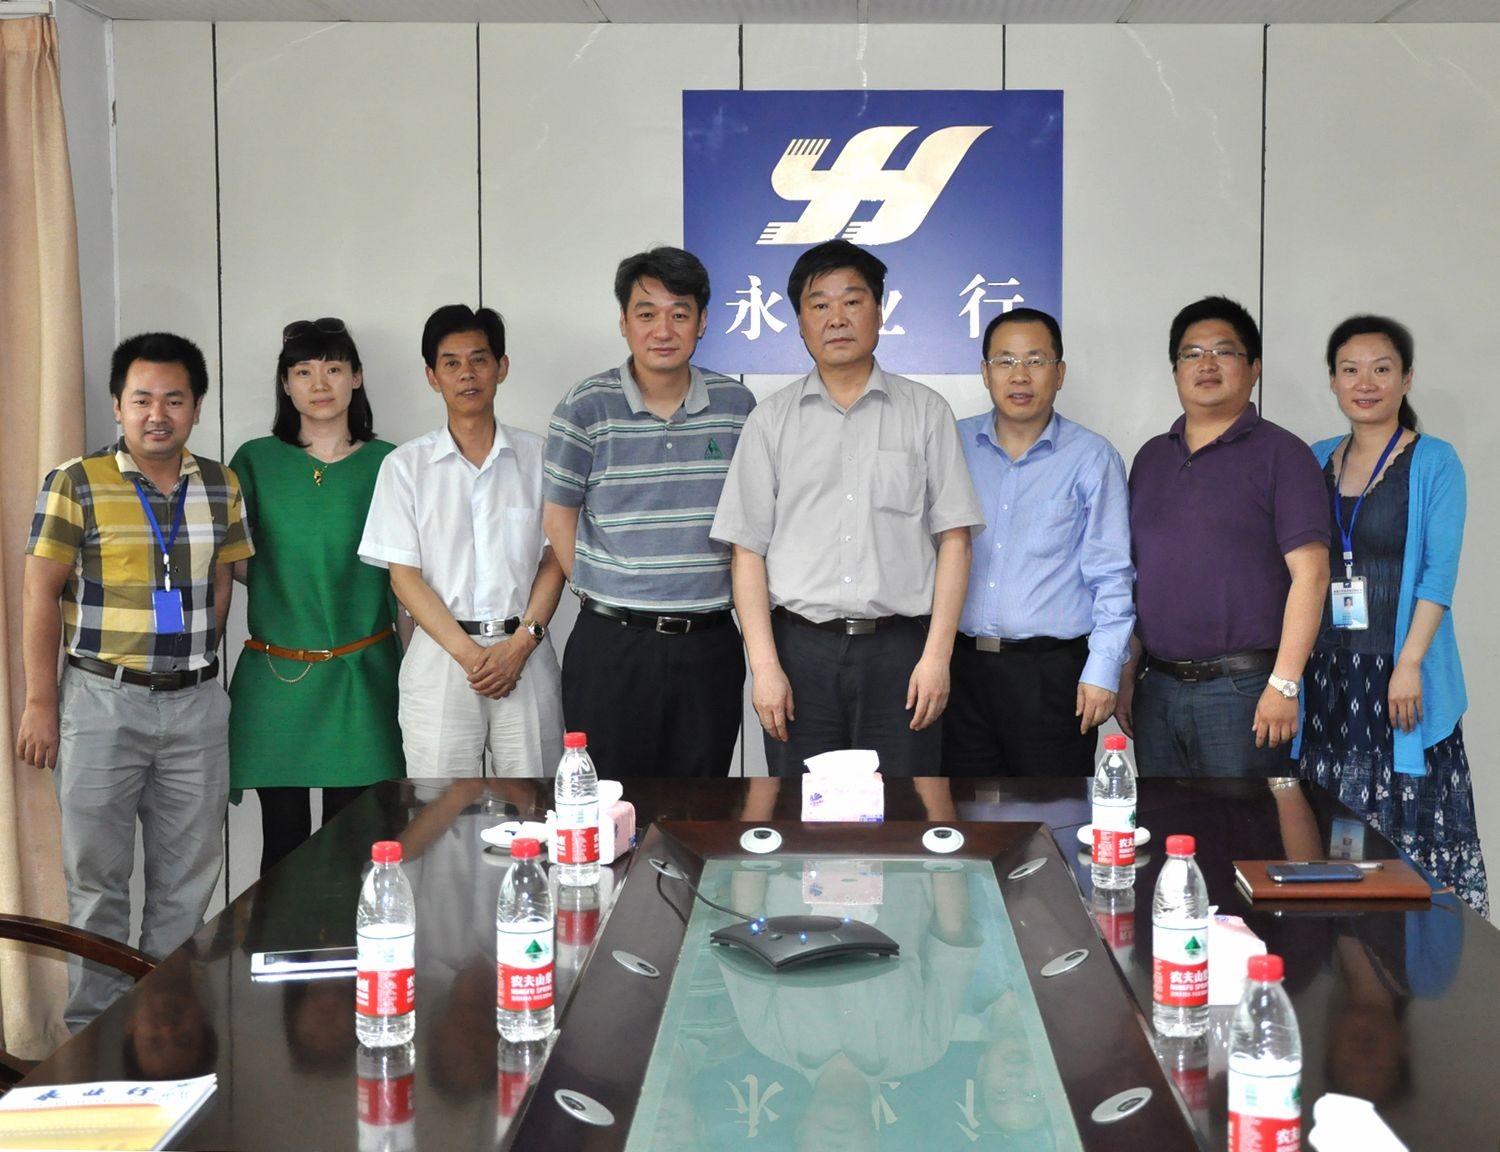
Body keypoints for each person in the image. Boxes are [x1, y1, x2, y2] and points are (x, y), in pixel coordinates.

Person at [17, 332, 254, 1029]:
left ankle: (164, 1034)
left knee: (187, 887)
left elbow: (221, 583)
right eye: (142, 399)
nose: (158, 414)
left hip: (196, 707)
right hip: (100, 703)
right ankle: (92, 1039)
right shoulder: (76, 482)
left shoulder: (221, 484)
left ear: (197, 407)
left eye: (174, 400)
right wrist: (40, 702)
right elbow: (39, 593)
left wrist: (200, 663)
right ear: (118, 405)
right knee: (97, 886)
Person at [711, 240, 983, 777]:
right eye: (819, 305)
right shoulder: (770, 421)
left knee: (903, 811)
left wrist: (937, 658)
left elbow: (955, 540)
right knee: (802, 810)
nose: (837, 318)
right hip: (799, 652)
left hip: (901, 652)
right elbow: (747, 551)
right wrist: (765, 668)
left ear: (879, 312)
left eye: (853, 301)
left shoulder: (926, 413)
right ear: (800, 323)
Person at [1296, 315, 1488, 916]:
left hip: (1399, 673)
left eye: (1381, 369)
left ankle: (1405, 970)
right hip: (1327, 676)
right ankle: (1344, 957)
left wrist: (1409, 665)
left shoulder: (1435, 461)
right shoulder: (1314, 458)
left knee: (1402, 847)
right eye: (1350, 369)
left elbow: (1438, 574)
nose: (1366, 383)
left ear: (1406, 378)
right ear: (1332, 379)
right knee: (1332, 836)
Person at [543, 248, 755, 777]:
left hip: (709, 643)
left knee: (700, 803)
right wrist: (602, 586)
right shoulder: (585, 405)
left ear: (702, 321)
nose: (663, 330)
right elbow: (558, 515)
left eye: (679, 313)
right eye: (646, 313)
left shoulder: (737, 407)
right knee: (610, 799)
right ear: (624, 321)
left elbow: (752, 525)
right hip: (612, 644)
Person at [1116, 296, 1329, 776]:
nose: (1206, 364)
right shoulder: (1150, 459)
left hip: (1244, 691)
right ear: (1175, 371)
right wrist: (1128, 674)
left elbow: (1312, 576)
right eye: (1191, 353)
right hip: (1157, 687)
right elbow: (1137, 576)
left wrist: (1285, 684)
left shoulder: (1284, 454)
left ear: (1254, 368)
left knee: (1242, 823)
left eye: (1224, 352)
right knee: (1165, 820)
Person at [228, 318, 405, 876]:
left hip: (363, 679)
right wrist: (286, 584)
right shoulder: (254, 461)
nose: (320, 383)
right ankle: (275, 937)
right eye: (303, 371)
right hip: (277, 679)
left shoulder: (391, 463)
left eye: (333, 368)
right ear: (285, 384)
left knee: (354, 848)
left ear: (357, 376)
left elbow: (408, 577)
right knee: (282, 849)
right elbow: (232, 561)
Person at [358, 305, 563, 777]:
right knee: (440, 809)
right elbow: (403, 578)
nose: (466, 374)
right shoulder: (405, 467)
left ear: (501, 367)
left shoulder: (540, 458)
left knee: (534, 804)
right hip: (440, 659)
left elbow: (555, 559)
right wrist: (472, 657)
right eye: (451, 363)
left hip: (525, 654)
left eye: (479, 359)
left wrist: (518, 648)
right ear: (432, 376)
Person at [946, 307, 1133, 777]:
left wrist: (1103, 670)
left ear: (1060, 373)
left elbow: (1112, 575)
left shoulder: (1092, 457)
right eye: (1005, 361)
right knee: (961, 810)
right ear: (985, 372)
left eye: (1036, 361)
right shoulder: (951, 445)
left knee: (1053, 812)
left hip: (1051, 675)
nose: (1020, 375)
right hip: (958, 668)